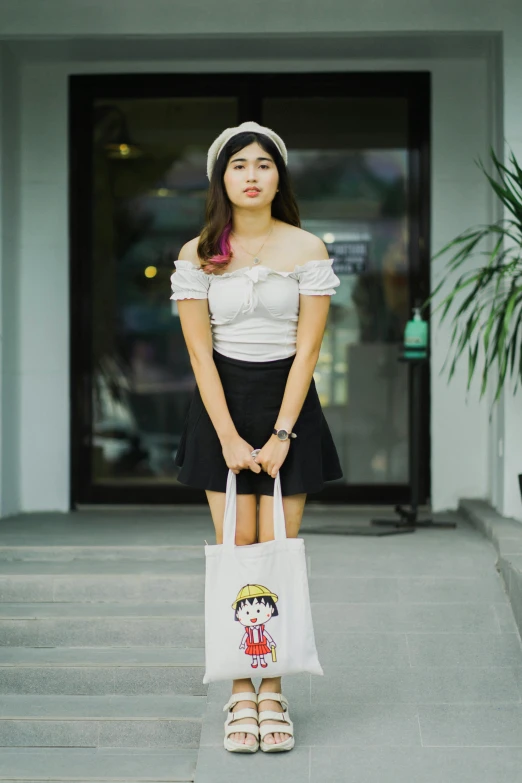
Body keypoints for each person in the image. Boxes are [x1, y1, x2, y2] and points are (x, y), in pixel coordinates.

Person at [170, 120, 343, 754]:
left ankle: (274, 690)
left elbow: (308, 352)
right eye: (238, 164)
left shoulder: (308, 249)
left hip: (287, 406)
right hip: (221, 407)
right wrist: (227, 438)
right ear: (222, 177)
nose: (251, 174)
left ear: (279, 176)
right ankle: (240, 691)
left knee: (277, 547)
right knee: (235, 548)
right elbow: (198, 355)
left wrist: (281, 433)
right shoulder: (198, 254)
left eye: (263, 165)